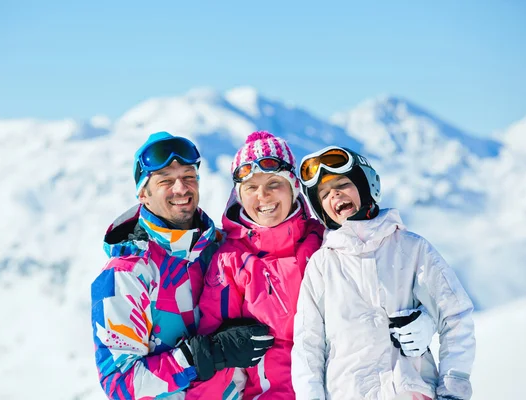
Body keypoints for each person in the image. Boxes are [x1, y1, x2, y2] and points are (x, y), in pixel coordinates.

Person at [185, 132, 434, 400]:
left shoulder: (327, 241)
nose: (263, 196)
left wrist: (427, 319)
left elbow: (382, 286)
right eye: (251, 188)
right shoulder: (230, 262)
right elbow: (215, 356)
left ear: (293, 187)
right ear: (239, 195)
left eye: (273, 183)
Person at [91, 131, 274, 400]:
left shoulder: (223, 248)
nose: (181, 188)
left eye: (189, 177)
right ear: (143, 194)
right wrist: (206, 355)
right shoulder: (126, 273)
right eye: (166, 181)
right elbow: (121, 384)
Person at [291, 145, 476, 400]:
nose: (335, 194)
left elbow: (456, 315)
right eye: (323, 193)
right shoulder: (322, 267)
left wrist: (453, 386)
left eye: (343, 184)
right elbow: (307, 346)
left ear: (367, 186)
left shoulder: (411, 249)